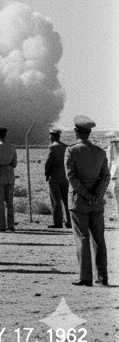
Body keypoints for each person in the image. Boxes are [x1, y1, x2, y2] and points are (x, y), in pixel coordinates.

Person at [65, 115, 110, 287]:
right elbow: (105, 176)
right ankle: (102, 277)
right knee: (99, 238)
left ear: (77, 132)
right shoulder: (100, 152)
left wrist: (86, 195)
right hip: (96, 202)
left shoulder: (71, 151)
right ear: (89, 132)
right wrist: (96, 195)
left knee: (82, 238)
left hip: (79, 201)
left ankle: (85, 277)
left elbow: (72, 177)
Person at [0, 127, 17, 232]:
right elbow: (14, 163)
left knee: (0, 201)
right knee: (9, 201)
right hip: (10, 173)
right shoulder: (12, 147)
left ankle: (1, 225)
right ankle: (11, 225)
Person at [45, 127, 72, 228]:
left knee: (56, 200)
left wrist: (47, 174)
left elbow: (48, 162)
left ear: (53, 136)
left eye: (50, 135)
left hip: (54, 176)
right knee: (66, 200)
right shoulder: (65, 146)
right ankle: (70, 221)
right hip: (65, 176)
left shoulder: (52, 147)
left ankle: (58, 222)